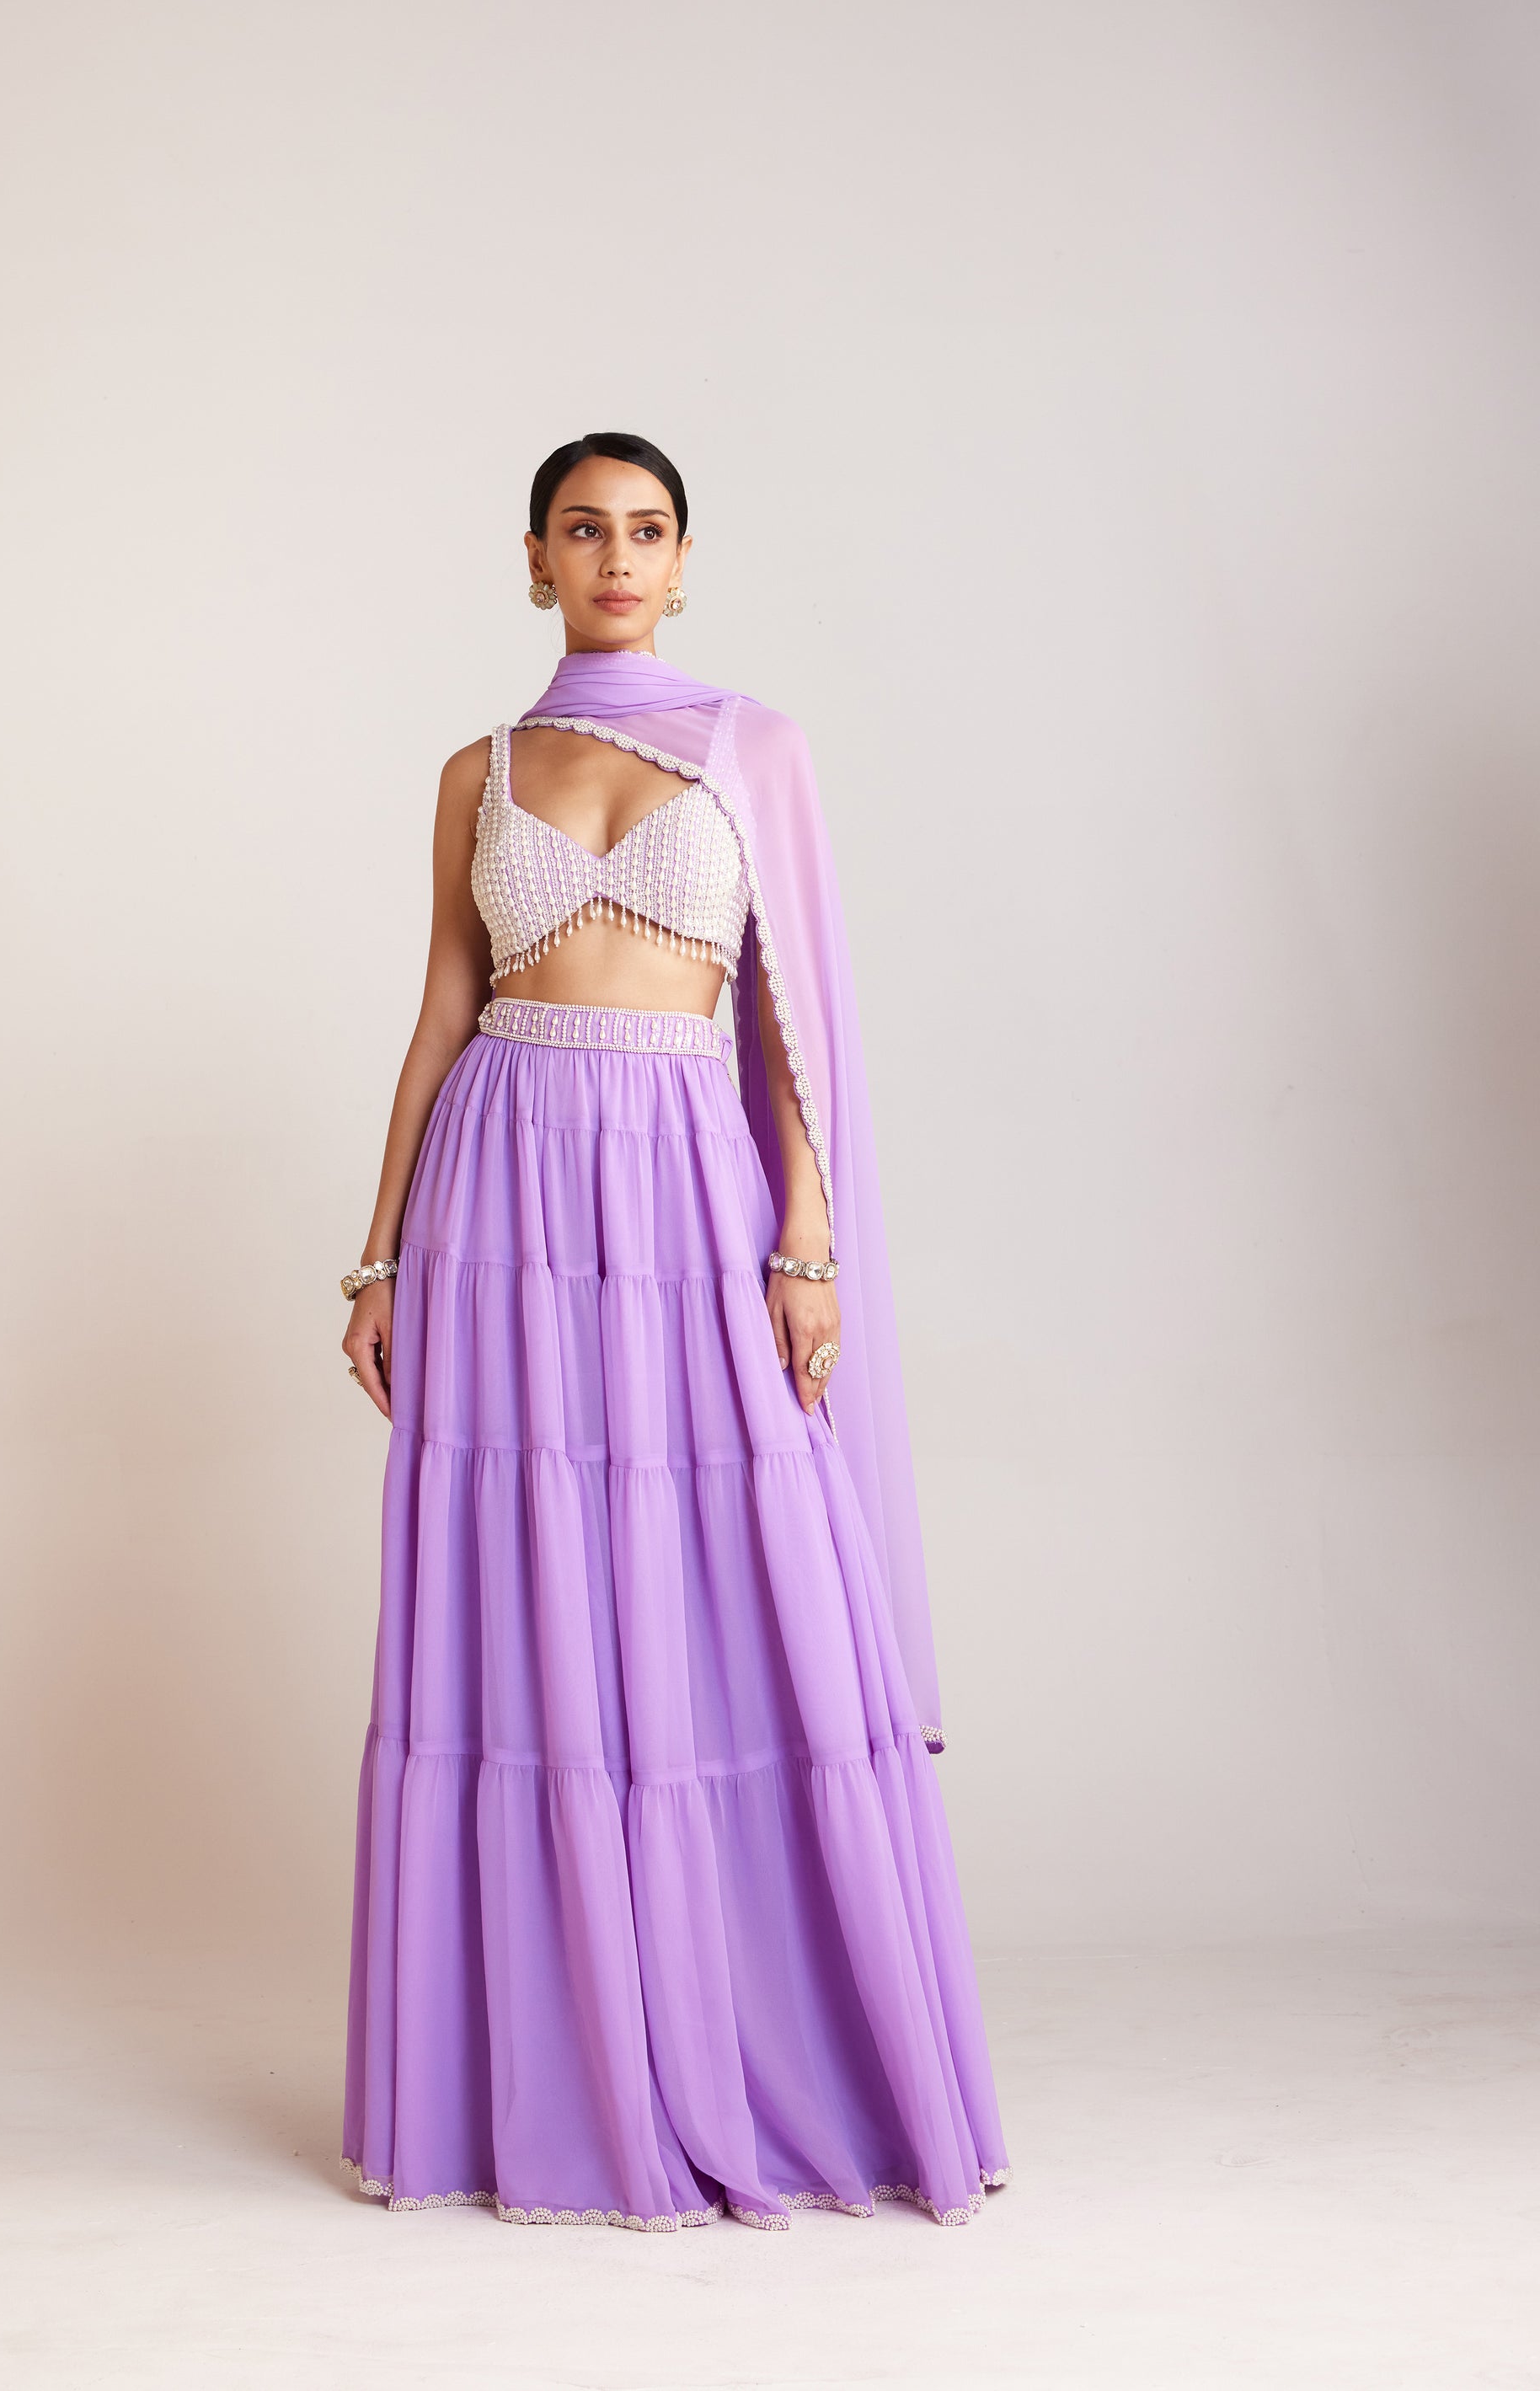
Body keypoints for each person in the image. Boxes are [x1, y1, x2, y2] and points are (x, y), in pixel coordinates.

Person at [339, 431, 1008, 2230]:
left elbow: (792, 1016)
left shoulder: (754, 747)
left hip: (688, 1184)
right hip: (501, 1192)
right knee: (531, 1580)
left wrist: (810, 1238)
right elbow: (443, 1010)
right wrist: (379, 1256)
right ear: (535, 560)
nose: (616, 557)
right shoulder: (478, 770)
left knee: (735, 1575)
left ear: (685, 562)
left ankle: (777, 2049)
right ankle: (548, 2082)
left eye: (646, 531)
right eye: (584, 529)